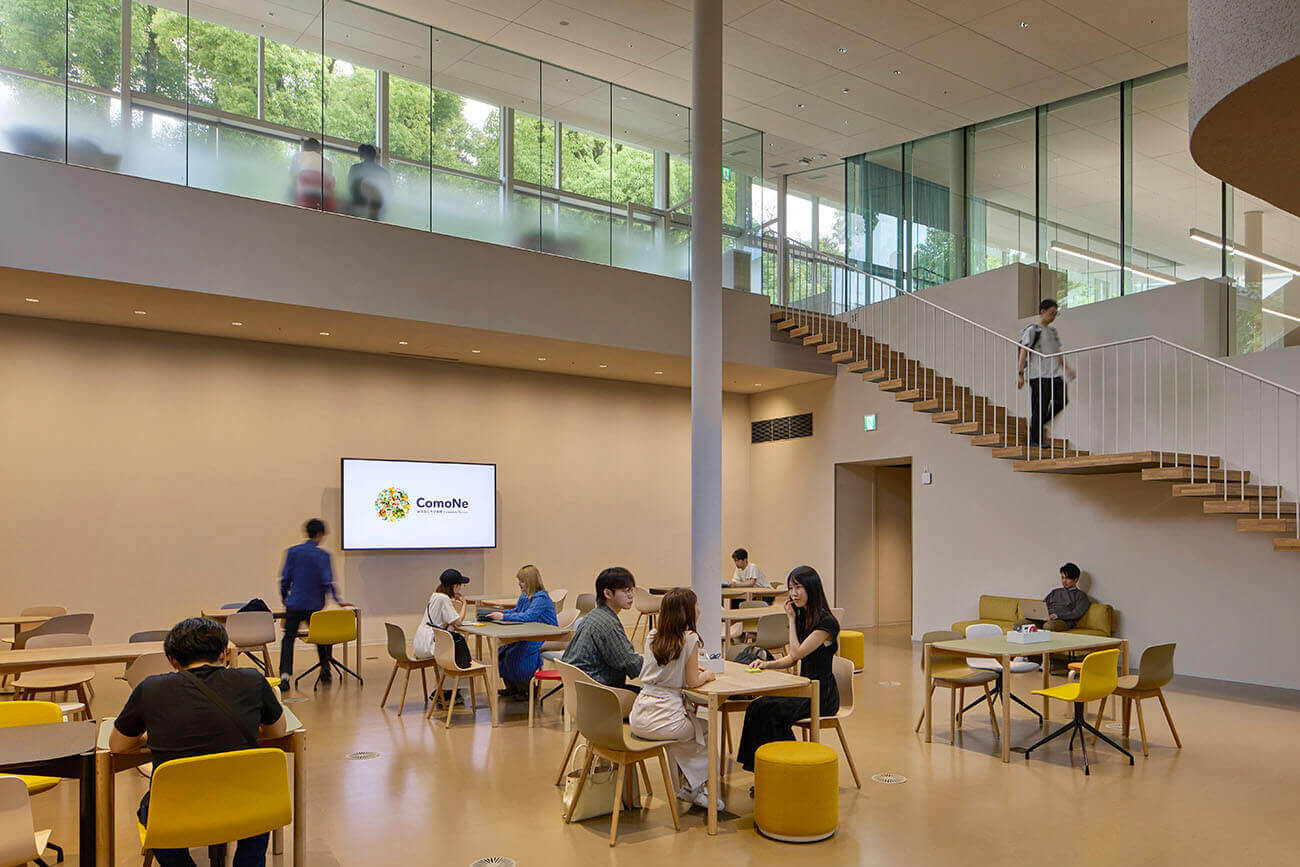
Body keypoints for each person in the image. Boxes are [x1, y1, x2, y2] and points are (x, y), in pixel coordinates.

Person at [110, 618, 287, 867]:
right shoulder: (252, 680)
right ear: (224, 654)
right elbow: (278, 730)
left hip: (178, 810)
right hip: (243, 803)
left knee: (149, 810)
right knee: (261, 798)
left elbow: (117, 746)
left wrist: (152, 735)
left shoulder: (150, 689)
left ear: (172, 659)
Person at [735, 566, 840, 774]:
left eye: (798, 587)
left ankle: (787, 771)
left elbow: (797, 652)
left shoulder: (826, 623)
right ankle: (762, 769)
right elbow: (792, 658)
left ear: (812, 588)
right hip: (804, 688)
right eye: (791, 588)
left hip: (821, 694)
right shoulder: (805, 617)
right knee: (758, 706)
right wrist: (766, 664)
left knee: (772, 713)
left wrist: (791, 619)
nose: (793, 593)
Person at [629, 588, 718, 810]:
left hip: (639, 716)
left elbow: (664, 668)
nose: (699, 609)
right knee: (704, 731)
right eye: (696, 605)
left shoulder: (652, 636)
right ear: (687, 612)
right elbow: (693, 682)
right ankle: (698, 788)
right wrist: (707, 675)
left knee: (688, 733)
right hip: (665, 718)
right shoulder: (690, 638)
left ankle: (690, 785)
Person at [278, 518, 352, 688]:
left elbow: (285, 579)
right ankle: (325, 669)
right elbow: (327, 582)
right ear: (319, 534)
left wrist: (285, 597)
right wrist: (338, 601)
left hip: (295, 604)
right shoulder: (323, 556)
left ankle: (285, 676)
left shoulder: (293, 552)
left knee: (288, 638)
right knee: (323, 638)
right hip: (315, 606)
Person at [561, 566, 643, 698]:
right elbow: (630, 663)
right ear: (608, 594)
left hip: (579, 692)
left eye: (631, 590)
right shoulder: (607, 623)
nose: (631, 595)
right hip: (598, 694)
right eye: (626, 591)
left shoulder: (594, 615)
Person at [483, 564, 557, 698]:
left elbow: (529, 616)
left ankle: (527, 690)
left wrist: (503, 616)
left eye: (522, 581)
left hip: (544, 636)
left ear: (530, 582)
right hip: (528, 634)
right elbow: (517, 612)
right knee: (503, 650)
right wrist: (499, 613)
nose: (519, 584)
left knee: (518, 652)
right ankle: (513, 687)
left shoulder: (541, 598)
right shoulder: (524, 597)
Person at [1018, 298, 1076, 447]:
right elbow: (1023, 351)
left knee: (1062, 400)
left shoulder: (1052, 331)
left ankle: (1036, 426)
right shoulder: (1032, 330)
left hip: (1054, 374)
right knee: (1040, 407)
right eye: (1051, 313)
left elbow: (1057, 352)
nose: (1053, 316)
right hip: (1038, 375)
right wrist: (1020, 374)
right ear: (1042, 312)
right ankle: (1035, 439)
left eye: (1056, 313)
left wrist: (1067, 368)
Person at [413, 568, 469, 659]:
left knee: (450, 629)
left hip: (420, 644)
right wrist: (464, 603)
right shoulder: (444, 599)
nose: (460, 588)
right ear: (454, 586)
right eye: (460, 585)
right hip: (430, 646)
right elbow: (458, 621)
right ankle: (450, 671)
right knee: (458, 645)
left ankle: (443, 673)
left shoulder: (435, 596)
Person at [1018, 562, 1091, 632]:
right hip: (1046, 619)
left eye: (1068, 578)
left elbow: (1076, 614)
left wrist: (1058, 616)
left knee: (1049, 626)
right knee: (1021, 624)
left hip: (1063, 621)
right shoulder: (1055, 592)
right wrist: (1036, 615)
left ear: (1076, 579)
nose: (1064, 581)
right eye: (1062, 577)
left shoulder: (1081, 596)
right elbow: (1043, 606)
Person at [289, 138, 336, 211]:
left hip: (304, 192)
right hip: (323, 196)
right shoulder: (327, 162)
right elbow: (331, 184)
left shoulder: (298, 156)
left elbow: (293, 177)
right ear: (318, 149)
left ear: (304, 147)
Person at [347, 143, 390, 220]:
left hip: (359, 209)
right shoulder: (384, 173)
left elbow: (350, 188)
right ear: (374, 156)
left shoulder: (355, 168)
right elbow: (389, 193)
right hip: (378, 211)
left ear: (361, 156)